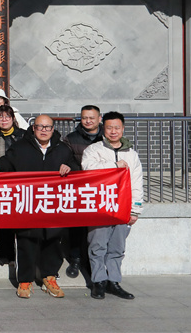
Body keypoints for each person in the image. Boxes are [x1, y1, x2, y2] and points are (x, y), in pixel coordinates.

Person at [0, 115, 79, 299]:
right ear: (33, 128)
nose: (44, 130)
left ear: (53, 129)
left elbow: (77, 167)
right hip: (28, 203)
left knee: (53, 242)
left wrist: (70, 166)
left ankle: (49, 277)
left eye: (47, 127)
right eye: (40, 127)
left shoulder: (63, 149)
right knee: (26, 241)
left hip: (53, 204)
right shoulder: (21, 147)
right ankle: (25, 280)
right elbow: (7, 161)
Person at [82, 111, 143, 301]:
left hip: (122, 208)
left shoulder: (132, 154)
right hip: (100, 206)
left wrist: (135, 210)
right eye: (109, 128)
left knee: (117, 248)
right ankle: (98, 281)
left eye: (117, 128)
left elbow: (136, 183)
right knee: (97, 246)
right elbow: (88, 169)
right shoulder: (93, 150)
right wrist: (114, 164)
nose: (113, 131)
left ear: (123, 129)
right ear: (103, 129)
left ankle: (114, 281)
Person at [62, 105, 104, 279]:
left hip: (102, 189)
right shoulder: (71, 138)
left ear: (99, 119)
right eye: (84, 117)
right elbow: (66, 160)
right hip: (79, 188)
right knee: (77, 226)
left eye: (91, 118)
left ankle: (95, 261)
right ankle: (76, 259)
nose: (88, 121)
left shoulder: (106, 137)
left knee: (98, 228)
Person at [0, 104, 25, 268]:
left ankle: (17, 255)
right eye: (0, 117)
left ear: (13, 119)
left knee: (19, 221)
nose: (4, 120)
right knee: (1, 221)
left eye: (7, 117)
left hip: (19, 184)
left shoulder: (23, 135)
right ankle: (2, 255)